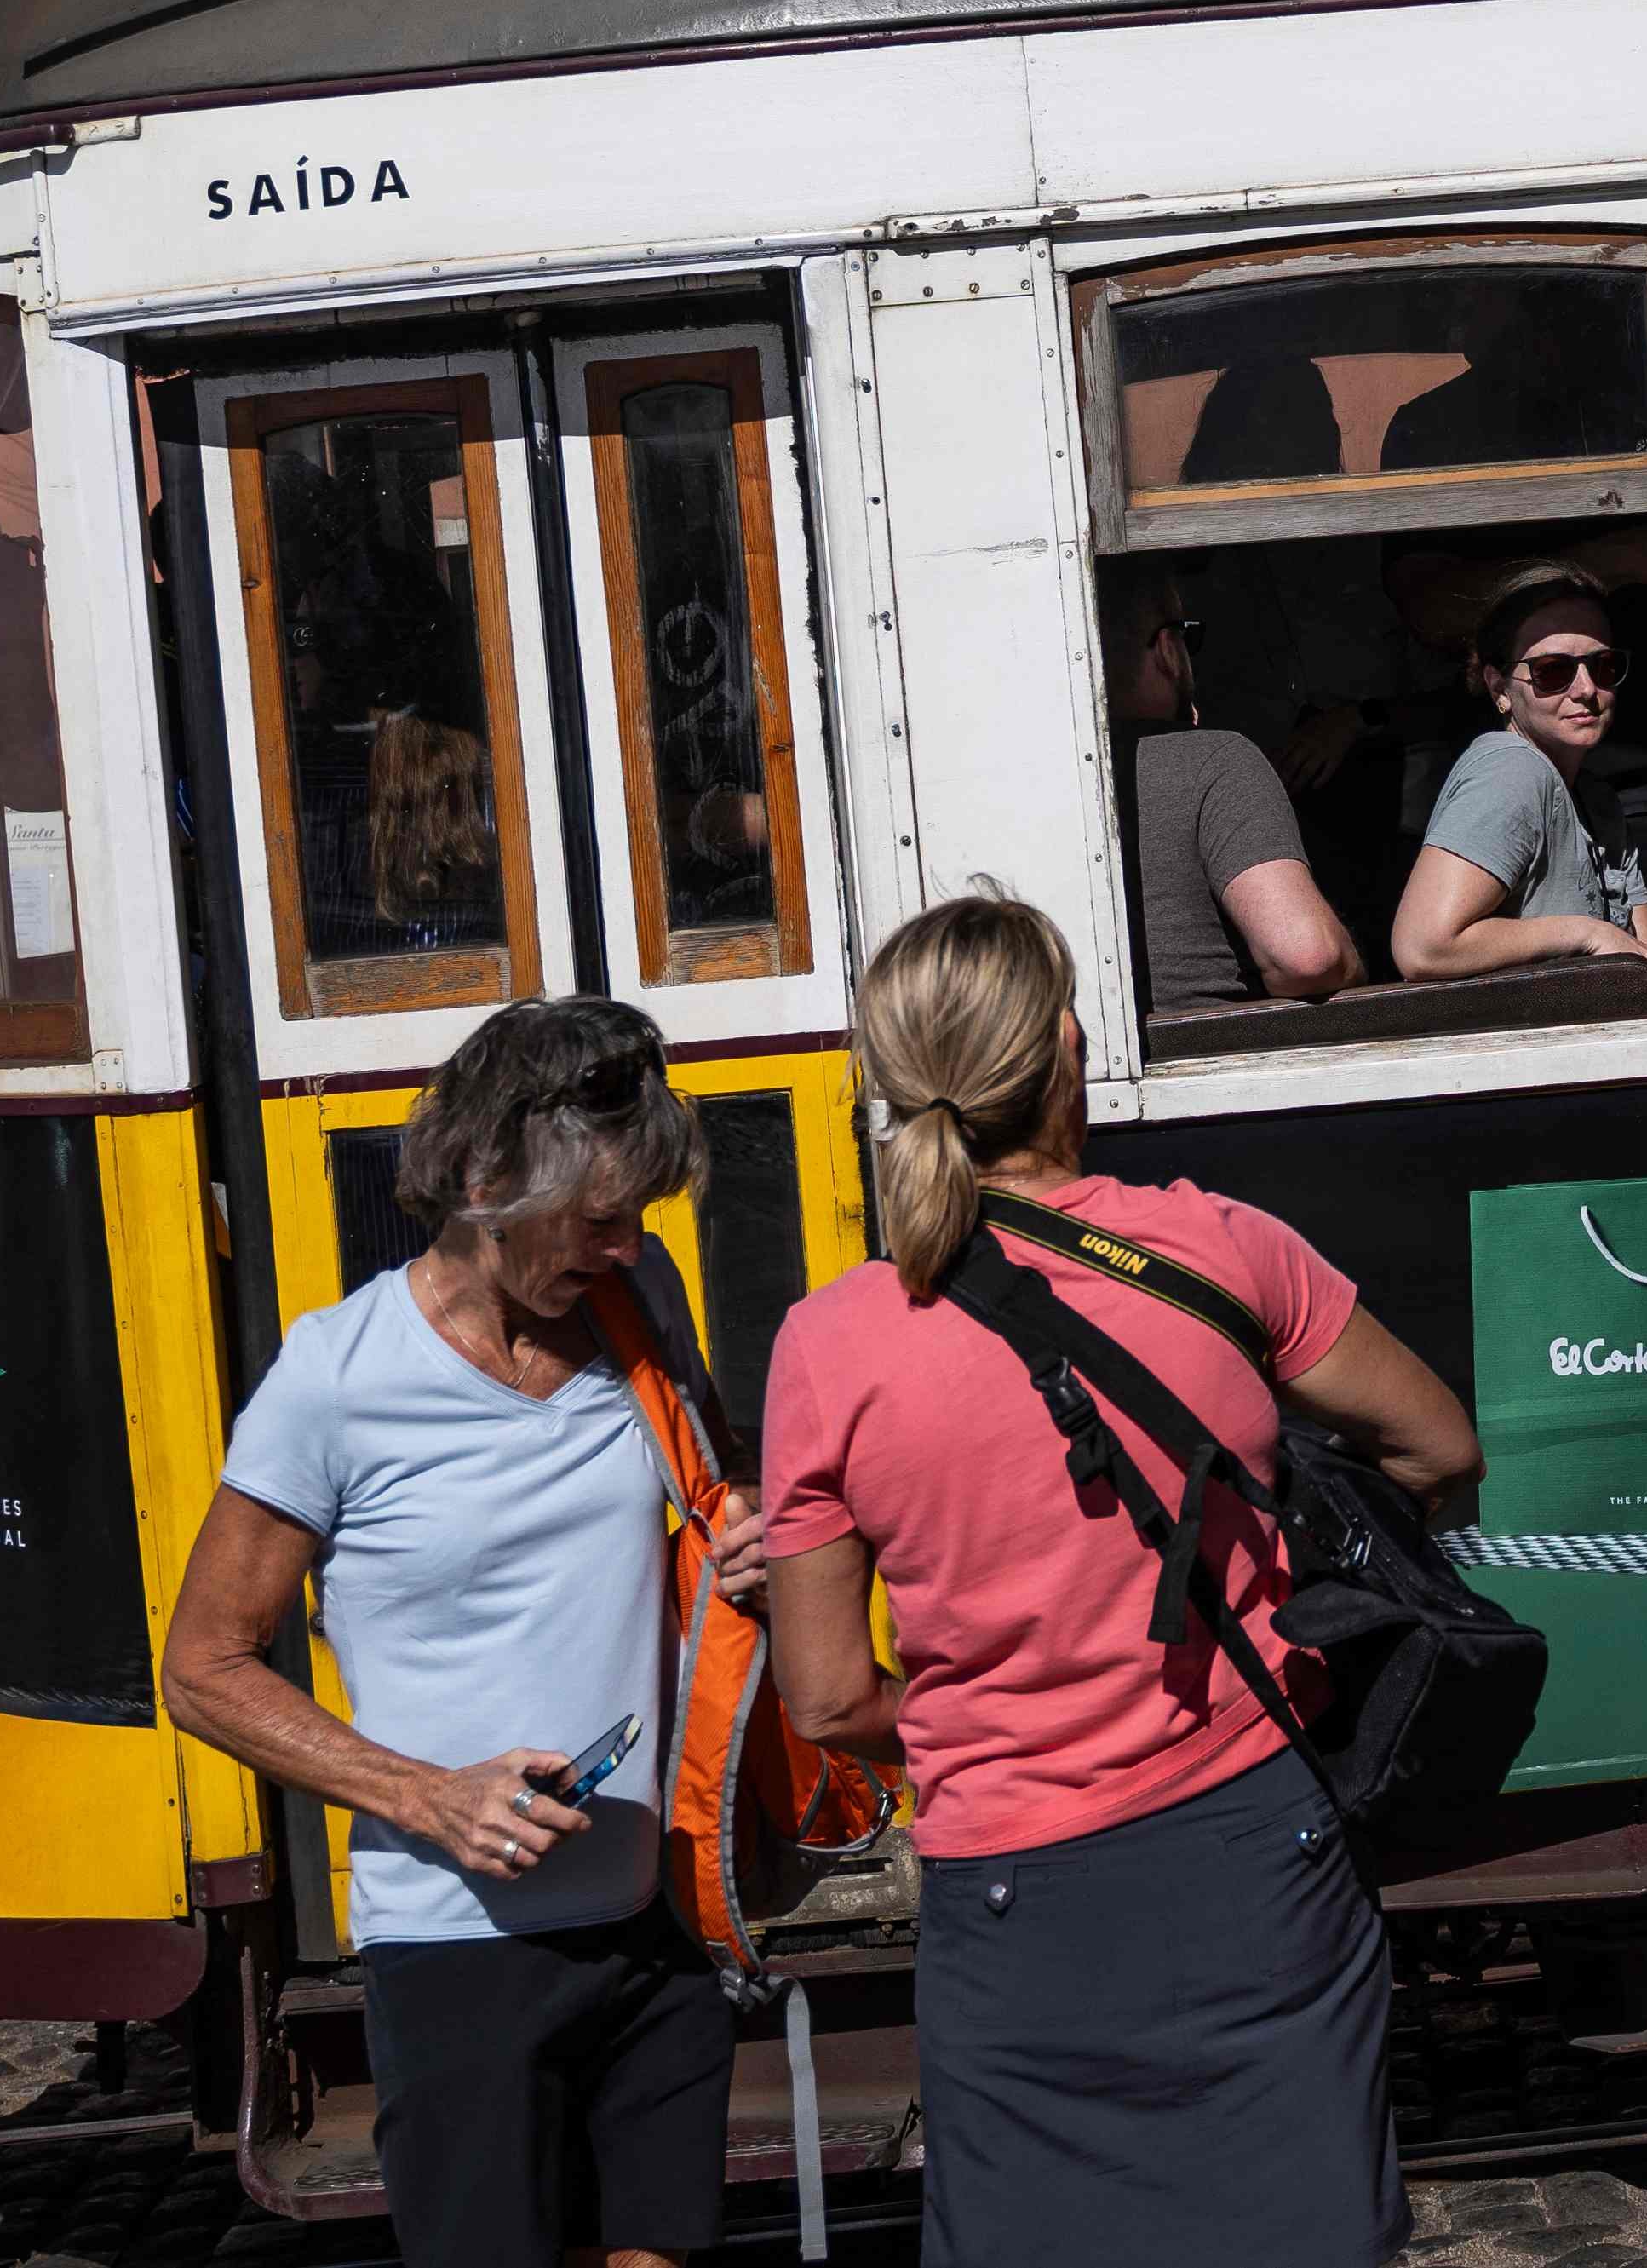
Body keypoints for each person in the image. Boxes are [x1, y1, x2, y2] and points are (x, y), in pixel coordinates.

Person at [755, 893, 1481, 2268]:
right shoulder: (1218, 1246)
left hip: (1015, 1897)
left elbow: (827, 1692)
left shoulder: (826, 1345)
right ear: (1064, 1044)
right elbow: (1436, 1446)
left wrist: (989, 1719)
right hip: (1254, 1842)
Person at [161, 1000, 755, 2268]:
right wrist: (431, 1797)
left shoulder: (636, 1303)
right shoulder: (337, 1376)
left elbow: (702, 1505)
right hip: (458, 1954)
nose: (628, 1241)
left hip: (648, 1924)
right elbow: (202, 1669)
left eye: (638, 1213)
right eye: (597, 1217)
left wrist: (735, 1542)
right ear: (486, 1181)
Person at [1392, 562, 1647, 996]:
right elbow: (1423, 947)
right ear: (1499, 688)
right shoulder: (1510, 769)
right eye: (1554, 670)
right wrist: (1585, 934)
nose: (1585, 688)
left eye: (1603, 666)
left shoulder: (1596, 799)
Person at [1103, 564, 1358, 1014]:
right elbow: (1306, 956)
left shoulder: (1024, 783)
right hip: (1204, 1062)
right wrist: (1354, 965)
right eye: (1188, 636)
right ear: (1167, 650)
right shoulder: (1212, 759)